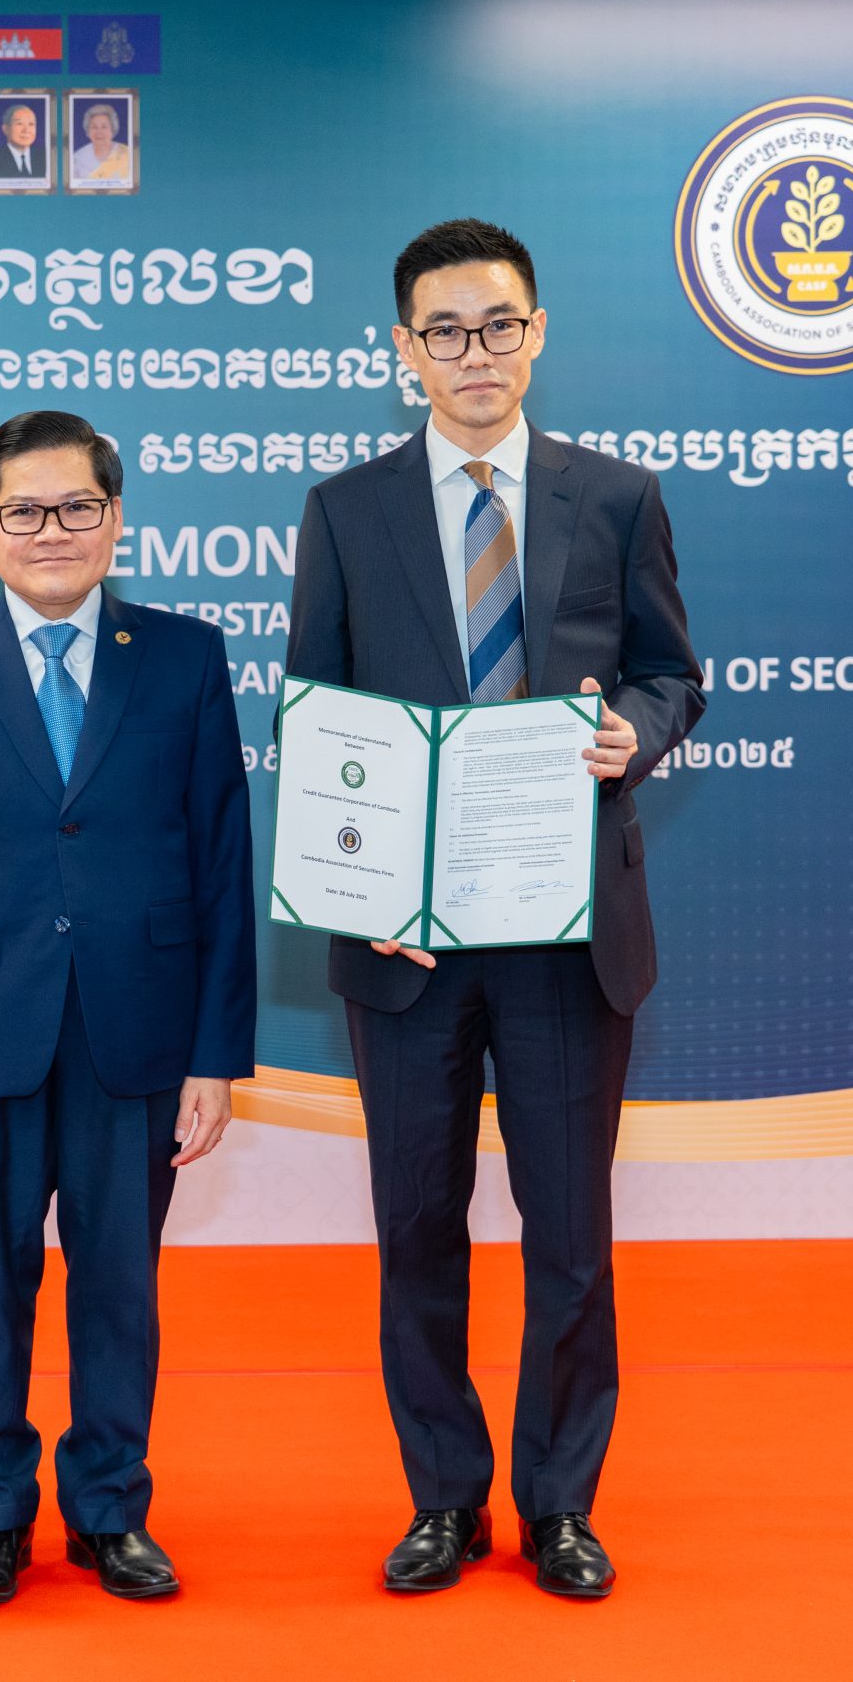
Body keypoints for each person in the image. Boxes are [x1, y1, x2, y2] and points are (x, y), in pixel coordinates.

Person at [283, 219, 702, 1600]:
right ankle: (444, 1498)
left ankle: (561, 1501)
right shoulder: (345, 510)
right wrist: (355, 891)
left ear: (538, 332)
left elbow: (670, 673)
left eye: (499, 324)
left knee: (569, 1233)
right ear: (405, 350)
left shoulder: (616, 496)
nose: (476, 352)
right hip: (405, 940)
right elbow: (317, 716)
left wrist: (634, 734)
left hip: (567, 932)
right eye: (447, 331)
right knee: (418, 1230)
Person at [0, 410, 256, 1605]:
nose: (53, 531)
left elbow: (223, 864)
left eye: (77, 507)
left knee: (118, 1286)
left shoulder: (184, 657)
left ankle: (109, 1509)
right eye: (23, 512)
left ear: (115, 518)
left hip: (139, 1030)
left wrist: (215, 1057)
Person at [70, 102, 131, 184]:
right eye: (94, 127)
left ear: (112, 130)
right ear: (88, 131)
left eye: (104, 127)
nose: (99, 132)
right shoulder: (77, 159)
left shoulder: (128, 154)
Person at [0, 102, 47, 182]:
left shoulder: (45, 157)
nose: (26, 130)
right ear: (5, 129)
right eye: (19, 123)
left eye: (31, 124)